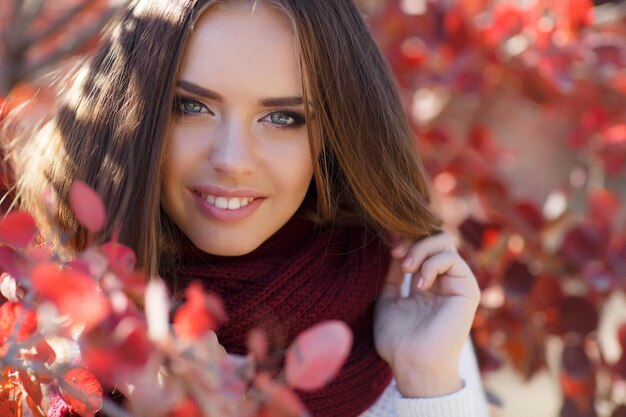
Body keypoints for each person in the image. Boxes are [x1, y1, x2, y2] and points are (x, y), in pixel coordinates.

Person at [10, 0, 490, 416]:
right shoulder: (36, 321)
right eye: (192, 107)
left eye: (282, 117)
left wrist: (427, 380)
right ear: (131, 111)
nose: (233, 160)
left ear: (333, 134)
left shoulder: (403, 310)